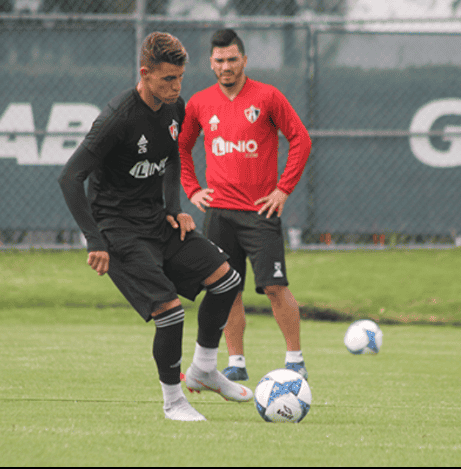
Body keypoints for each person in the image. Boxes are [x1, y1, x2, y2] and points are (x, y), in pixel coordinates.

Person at [58, 31, 253, 422]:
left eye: (180, 78)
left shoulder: (174, 107)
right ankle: (174, 401)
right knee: (169, 311)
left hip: (157, 222)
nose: (176, 86)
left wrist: (174, 207)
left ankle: (204, 369)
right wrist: (95, 240)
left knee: (228, 280)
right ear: (145, 74)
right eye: (167, 79)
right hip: (119, 232)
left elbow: (171, 158)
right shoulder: (117, 118)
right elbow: (69, 177)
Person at [179, 29, 312, 382]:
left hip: (260, 212)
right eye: (219, 60)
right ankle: (235, 363)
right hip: (218, 213)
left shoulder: (267, 97)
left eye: (232, 59)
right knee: (226, 288)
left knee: (274, 287)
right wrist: (192, 189)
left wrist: (283, 190)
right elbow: (181, 147)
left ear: (244, 60)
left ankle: (295, 360)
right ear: (211, 63)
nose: (226, 66)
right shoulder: (199, 103)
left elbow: (301, 139)